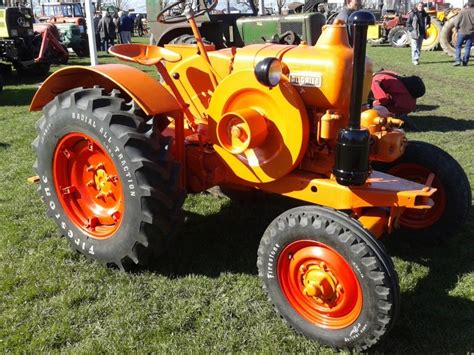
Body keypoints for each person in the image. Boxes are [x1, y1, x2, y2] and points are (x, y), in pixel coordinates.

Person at [453, 0, 474, 66]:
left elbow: (456, 21)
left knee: (458, 46)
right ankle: (465, 62)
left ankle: (458, 60)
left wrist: (456, 28)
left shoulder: (463, 11)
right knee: (468, 47)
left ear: (468, 4)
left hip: (462, 32)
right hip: (471, 32)